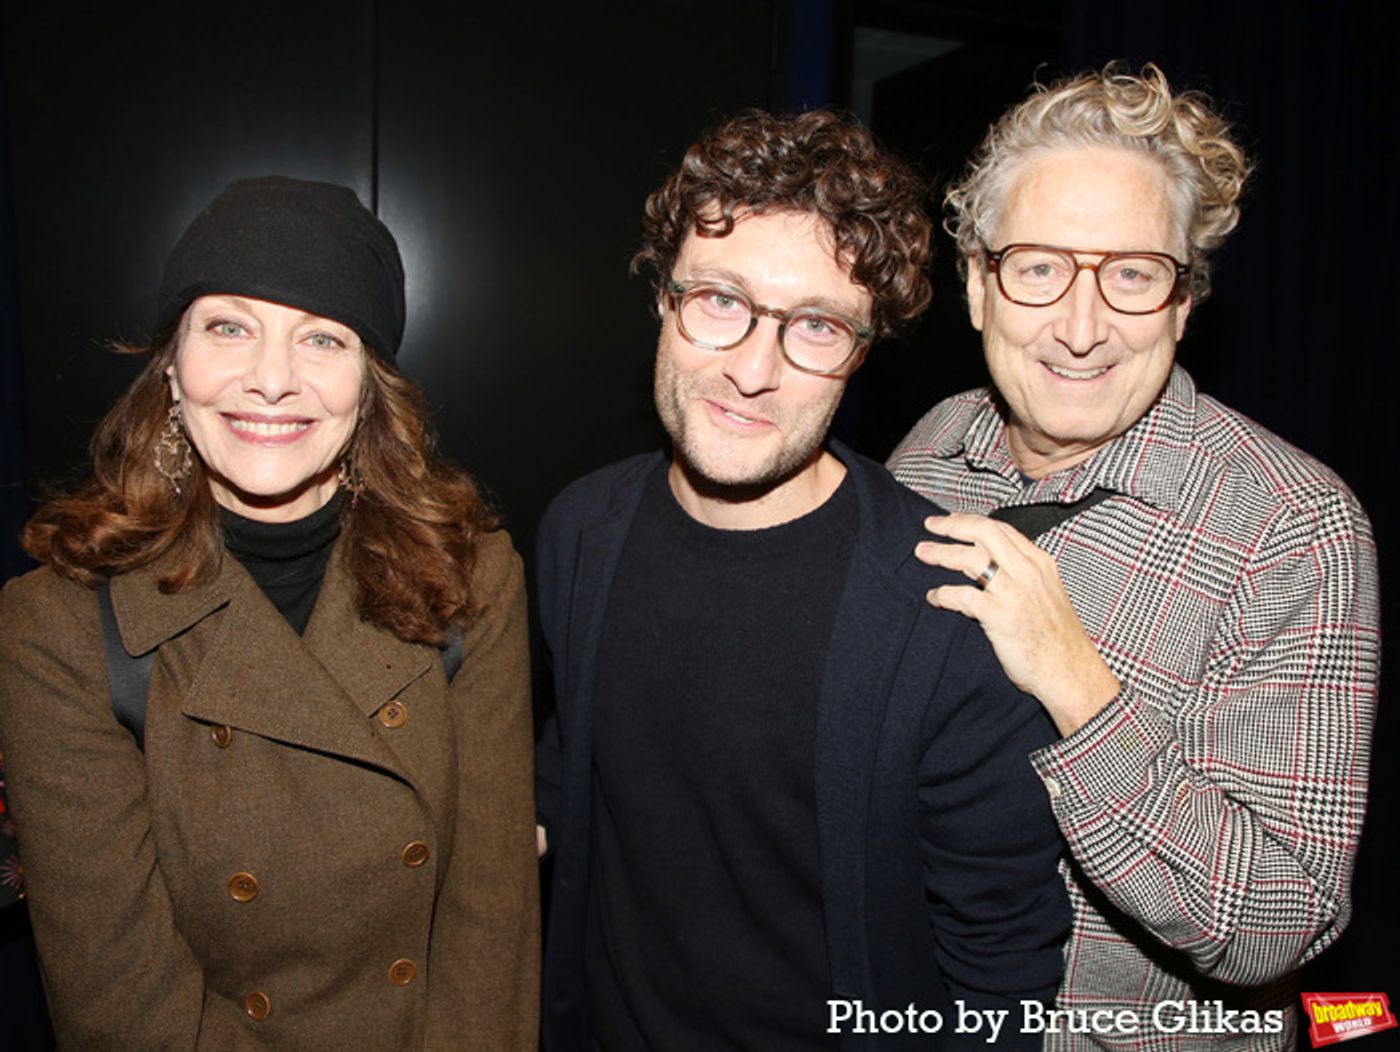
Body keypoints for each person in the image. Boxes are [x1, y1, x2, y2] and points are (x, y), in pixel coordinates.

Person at [534, 109, 1070, 1051]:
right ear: (664, 298)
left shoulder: (945, 613)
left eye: (815, 326)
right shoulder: (581, 530)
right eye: (721, 301)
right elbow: (574, 766)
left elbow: (1005, 963)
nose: (751, 368)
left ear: (860, 356)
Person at [887, 64, 1379, 1049]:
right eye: (1036, 267)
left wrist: (1076, 685)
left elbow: (1281, 920)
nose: (1079, 325)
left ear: (1182, 302)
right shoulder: (928, 452)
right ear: (979, 287)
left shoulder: (1291, 523)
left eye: (1129, 273)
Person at [0, 176, 539, 1049]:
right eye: (229, 326)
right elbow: (121, 1001)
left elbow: (491, 918)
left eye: (322, 338)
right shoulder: (56, 627)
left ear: (370, 384)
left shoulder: (474, 578)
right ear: (171, 365)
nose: (272, 381)